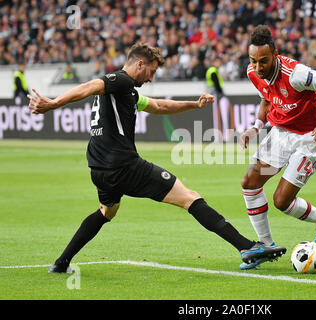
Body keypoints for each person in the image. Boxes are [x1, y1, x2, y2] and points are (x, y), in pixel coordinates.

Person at [27, 42, 286, 274]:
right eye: (151, 71)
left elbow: (160, 106)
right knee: (189, 198)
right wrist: (53, 104)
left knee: (107, 212)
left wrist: (193, 105)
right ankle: (247, 247)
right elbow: (92, 85)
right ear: (140, 63)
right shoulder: (121, 81)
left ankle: (61, 263)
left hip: (99, 168)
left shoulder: (124, 91)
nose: (151, 78)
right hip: (124, 166)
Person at [238, 25, 316, 270]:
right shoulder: (254, 73)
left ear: (275, 54)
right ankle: (265, 247)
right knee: (250, 183)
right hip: (280, 135)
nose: (258, 67)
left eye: (263, 61)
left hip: (309, 139)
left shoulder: (297, 74)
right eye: (253, 61)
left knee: (282, 201)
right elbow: (267, 96)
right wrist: (255, 127)